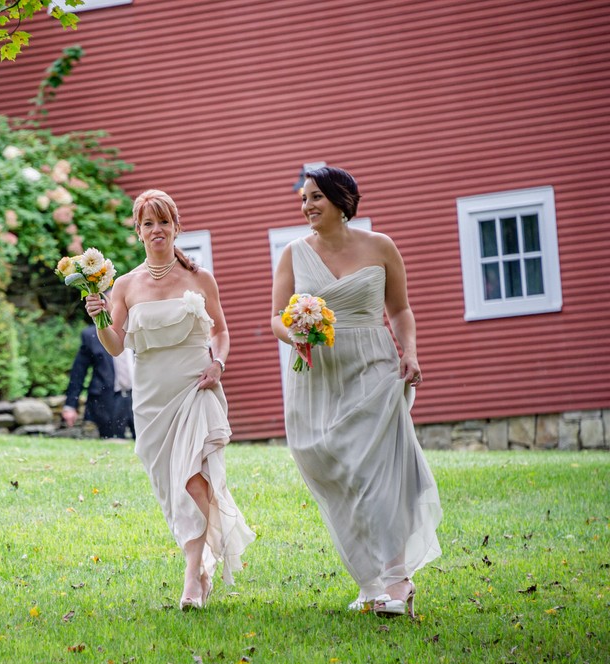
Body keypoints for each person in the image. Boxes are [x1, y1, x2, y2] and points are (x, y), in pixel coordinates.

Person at [271, 165, 442, 618]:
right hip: (316, 374)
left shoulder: (380, 246)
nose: (306, 206)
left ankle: (397, 579)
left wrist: (411, 353)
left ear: (341, 199)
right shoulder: (292, 253)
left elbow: (401, 310)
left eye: (314, 197)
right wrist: (296, 333)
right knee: (330, 467)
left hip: (373, 366)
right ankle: (370, 580)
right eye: (303, 199)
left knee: (377, 472)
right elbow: (276, 317)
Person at [84, 189, 255, 611]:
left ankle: (192, 578)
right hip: (151, 397)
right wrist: (101, 317)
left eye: (164, 222)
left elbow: (221, 331)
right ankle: (201, 562)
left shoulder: (200, 278)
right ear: (137, 231)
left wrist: (218, 363)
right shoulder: (124, 285)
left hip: (195, 385)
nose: (156, 230)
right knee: (172, 487)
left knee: (192, 479)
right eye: (148, 223)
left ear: (177, 227)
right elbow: (116, 347)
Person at [61, 323, 134, 439]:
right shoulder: (91, 335)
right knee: (110, 441)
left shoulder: (137, 329)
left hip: (137, 396)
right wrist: (70, 405)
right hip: (107, 400)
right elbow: (78, 372)